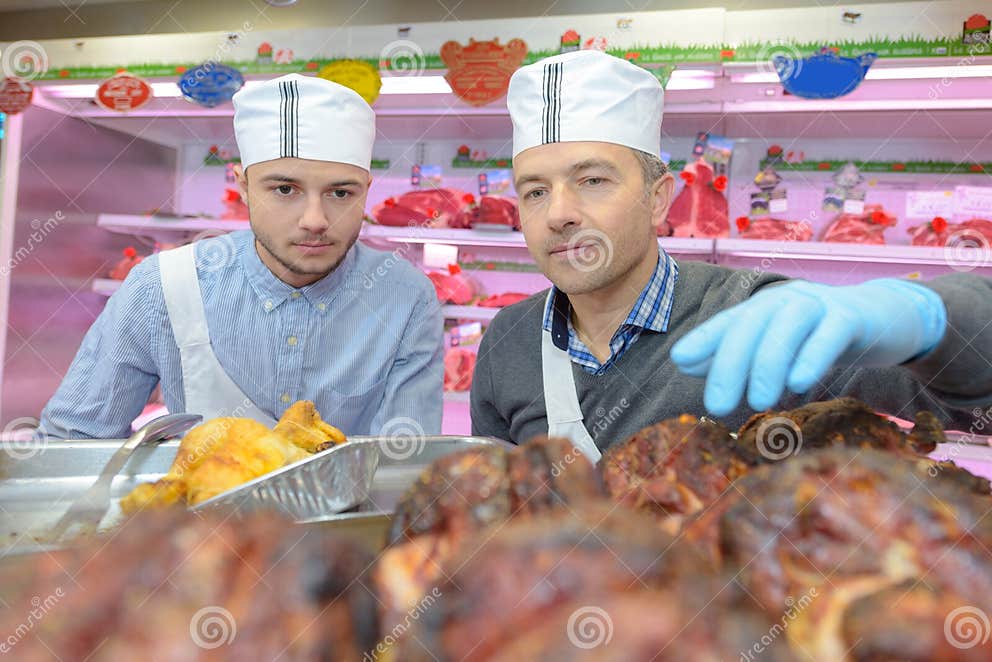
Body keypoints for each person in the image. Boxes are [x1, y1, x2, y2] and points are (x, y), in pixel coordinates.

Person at [470, 50, 992, 462]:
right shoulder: (509, 340)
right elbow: (492, 515)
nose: (559, 213)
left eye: (592, 180)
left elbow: (974, 408)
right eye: (535, 191)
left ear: (658, 199)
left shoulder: (759, 314)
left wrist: (928, 322)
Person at [41, 74, 443, 439]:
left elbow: (405, 462)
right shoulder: (162, 286)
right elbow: (73, 441)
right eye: (284, 190)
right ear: (244, 187)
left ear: (366, 190)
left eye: (341, 193)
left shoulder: (405, 298)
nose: (315, 220)